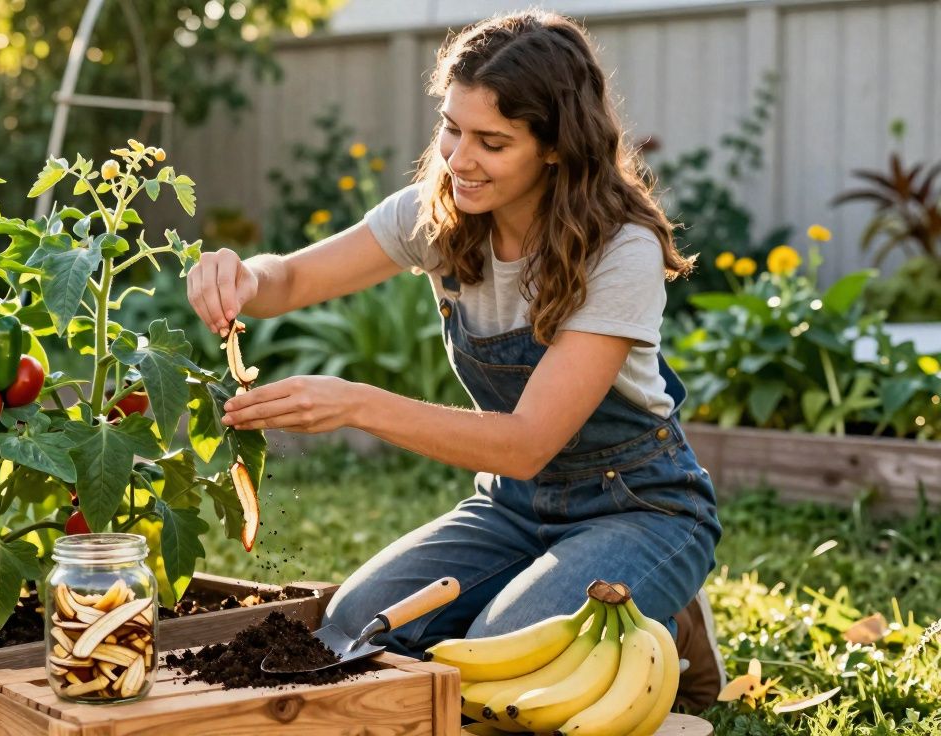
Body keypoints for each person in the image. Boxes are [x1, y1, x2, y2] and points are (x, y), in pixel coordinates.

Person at [184, 9, 724, 710]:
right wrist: (240, 276)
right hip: (513, 506)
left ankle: (665, 620)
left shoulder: (619, 250)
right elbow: (287, 280)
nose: (459, 159)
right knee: (353, 628)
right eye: (451, 128)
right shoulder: (439, 214)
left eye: (491, 142)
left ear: (556, 147)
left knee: (501, 670)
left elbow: (528, 443)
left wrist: (356, 402)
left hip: (639, 505)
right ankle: (574, 581)